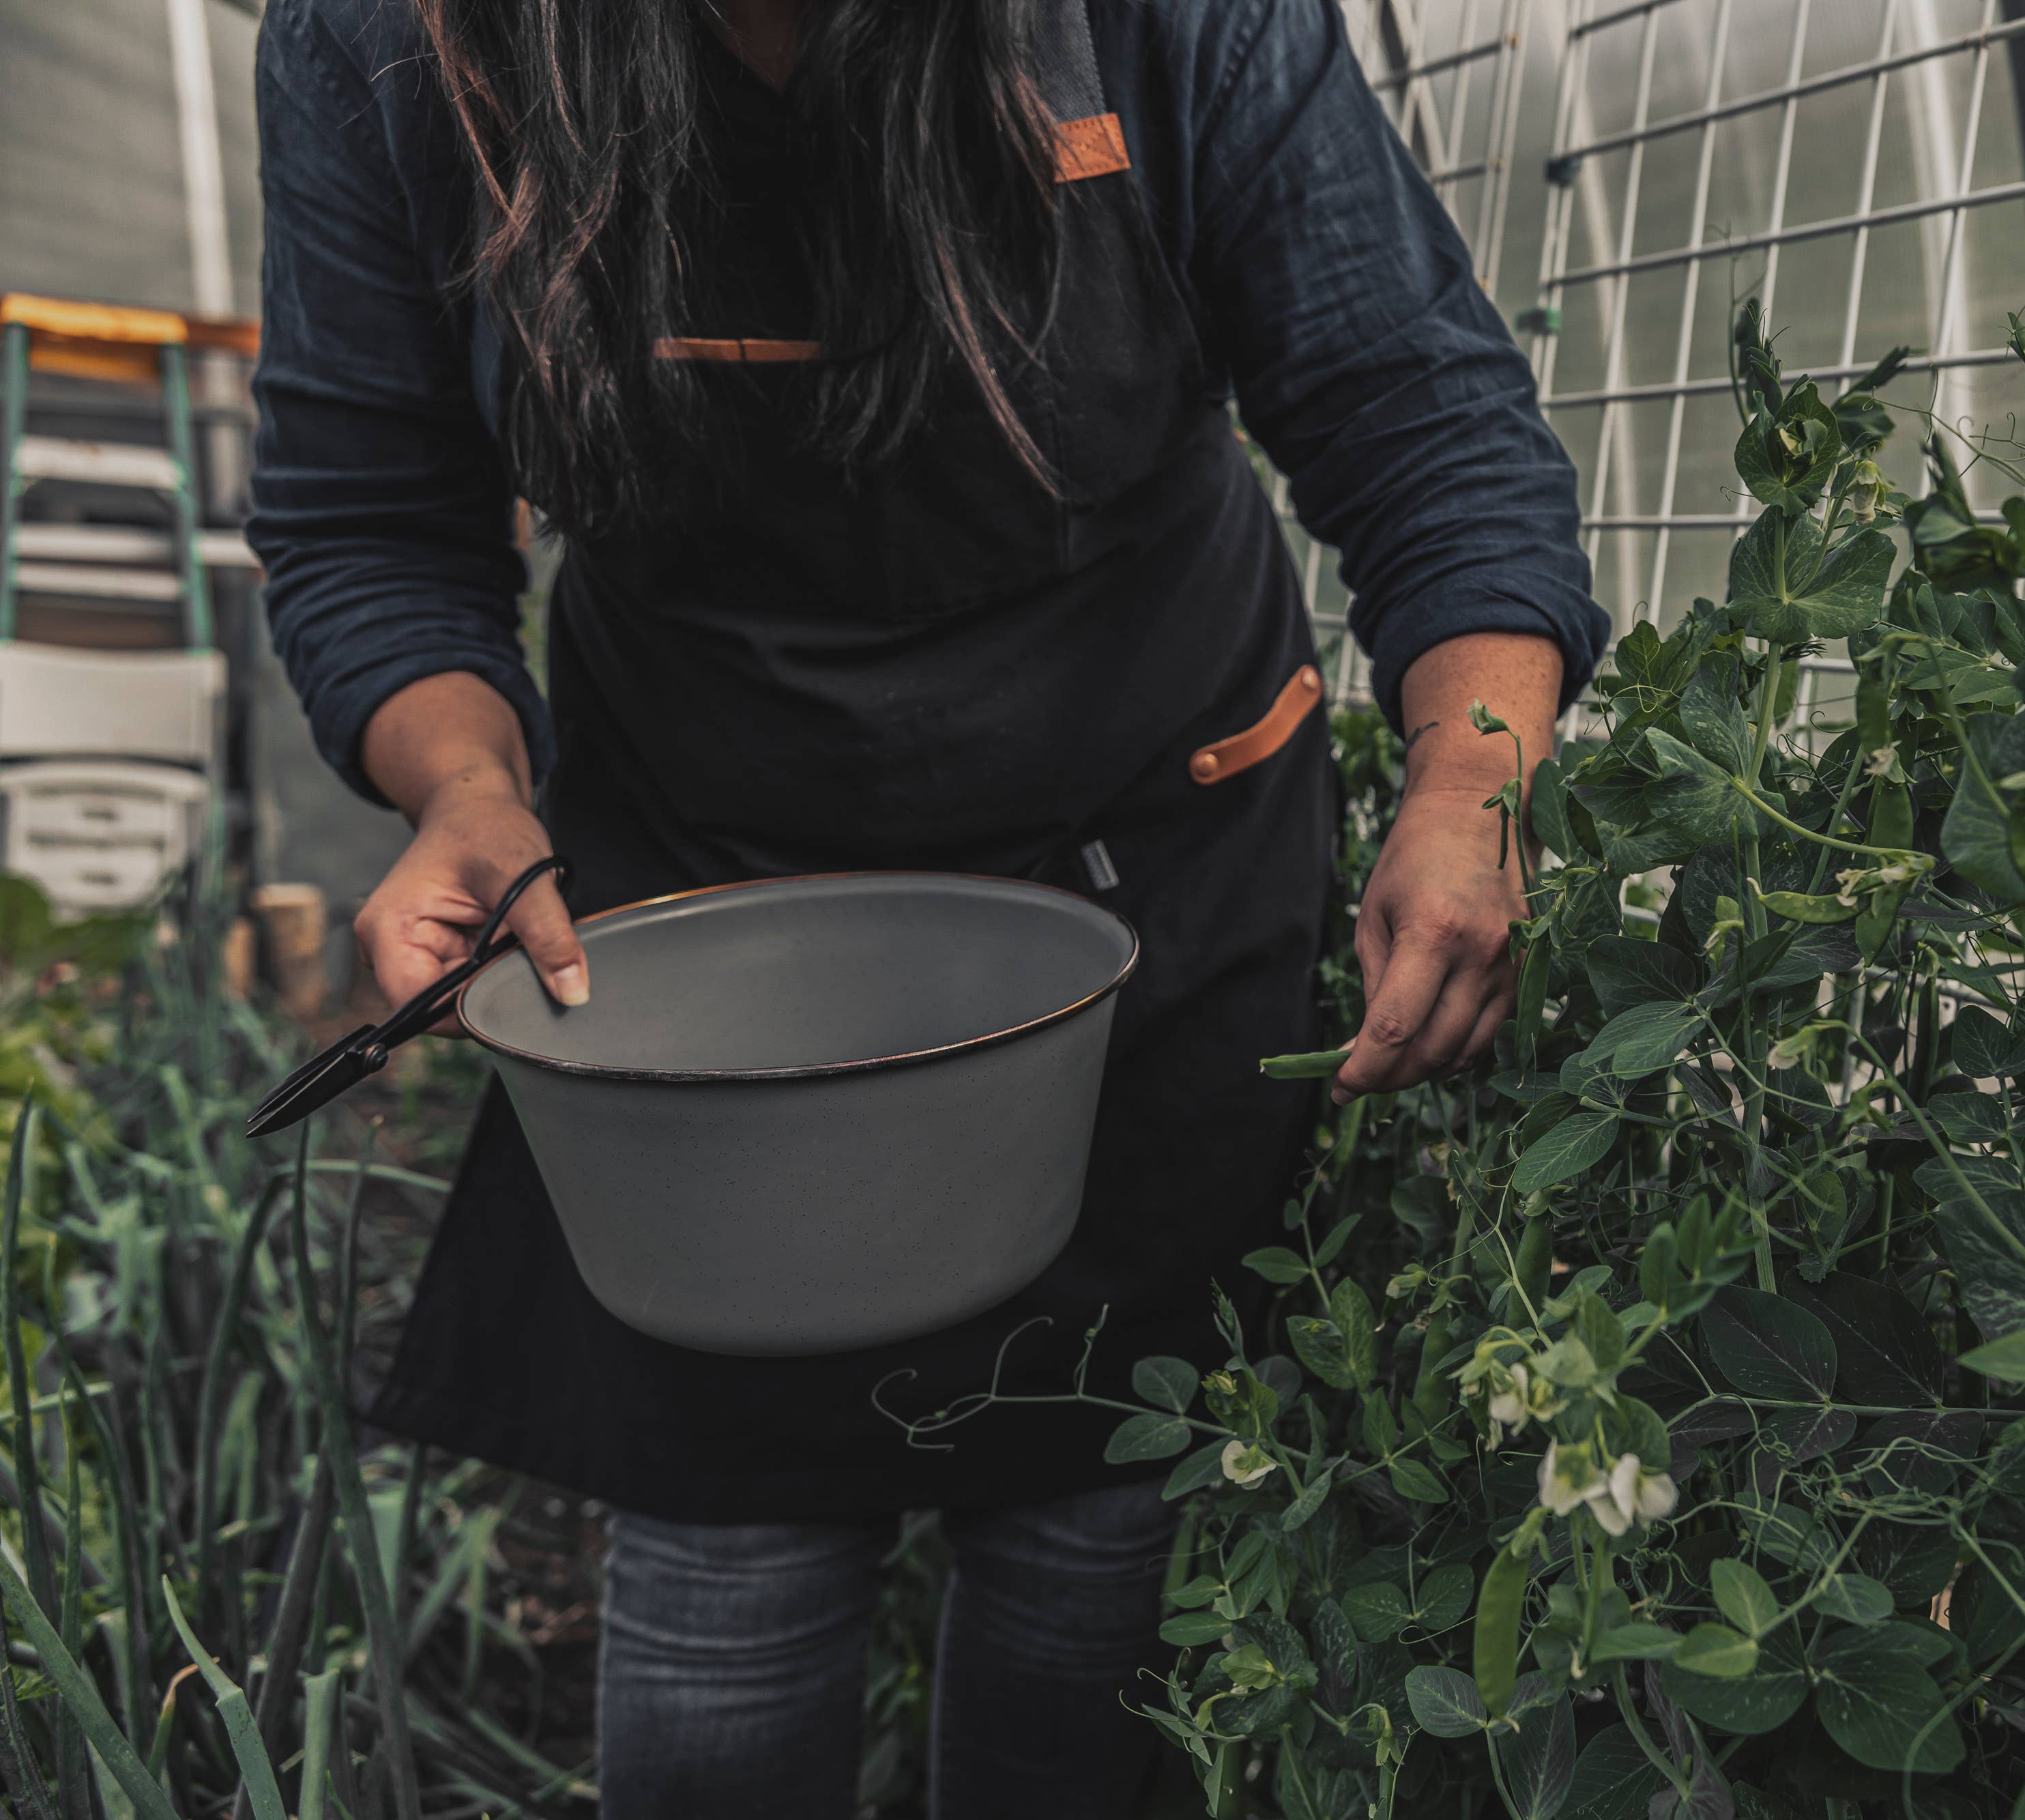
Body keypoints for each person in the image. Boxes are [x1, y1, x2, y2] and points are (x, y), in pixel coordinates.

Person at [248, 0, 1602, 1812]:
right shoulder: (396, 42)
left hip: (1147, 888)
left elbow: (1422, 422)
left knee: (1088, 1562)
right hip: (708, 923)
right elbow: (371, 516)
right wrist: (470, 790)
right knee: (727, 1600)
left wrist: (1471, 772)